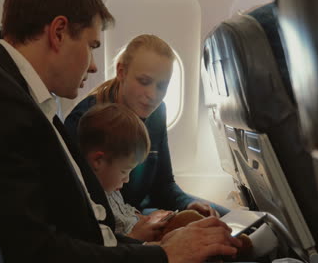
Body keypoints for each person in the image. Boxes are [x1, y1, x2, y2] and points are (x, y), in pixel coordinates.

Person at [0, 0, 242, 262]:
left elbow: (79, 226)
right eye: (91, 46)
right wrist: (162, 256)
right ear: (59, 32)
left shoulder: (27, 98)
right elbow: (31, 249)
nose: (93, 66)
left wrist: (155, 247)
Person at [65, 34, 229, 217]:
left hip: (143, 208)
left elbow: (163, 184)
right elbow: (80, 201)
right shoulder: (84, 120)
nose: (152, 95)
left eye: (162, 86)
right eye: (144, 82)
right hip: (116, 217)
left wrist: (188, 204)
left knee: (224, 218)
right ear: (121, 72)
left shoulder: (157, 113)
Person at [77, 103, 178, 241]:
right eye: (124, 171)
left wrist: (147, 218)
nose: (127, 179)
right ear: (98, 161)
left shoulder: (111, 189)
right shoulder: (93, 204)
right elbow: (106, 247)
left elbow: (124, 210)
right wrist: (135, 237)